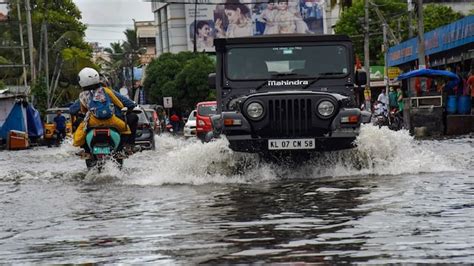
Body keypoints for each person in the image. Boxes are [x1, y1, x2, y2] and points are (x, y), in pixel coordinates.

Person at [73, 67, 134, 156]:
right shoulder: (106, 90)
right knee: (126, 130)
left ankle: (86, 151)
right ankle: (120, 150)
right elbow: (119, 104)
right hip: (111, 120)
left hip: (93, 122)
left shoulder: (82, 95)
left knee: (81, 133)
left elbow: (83, 110)